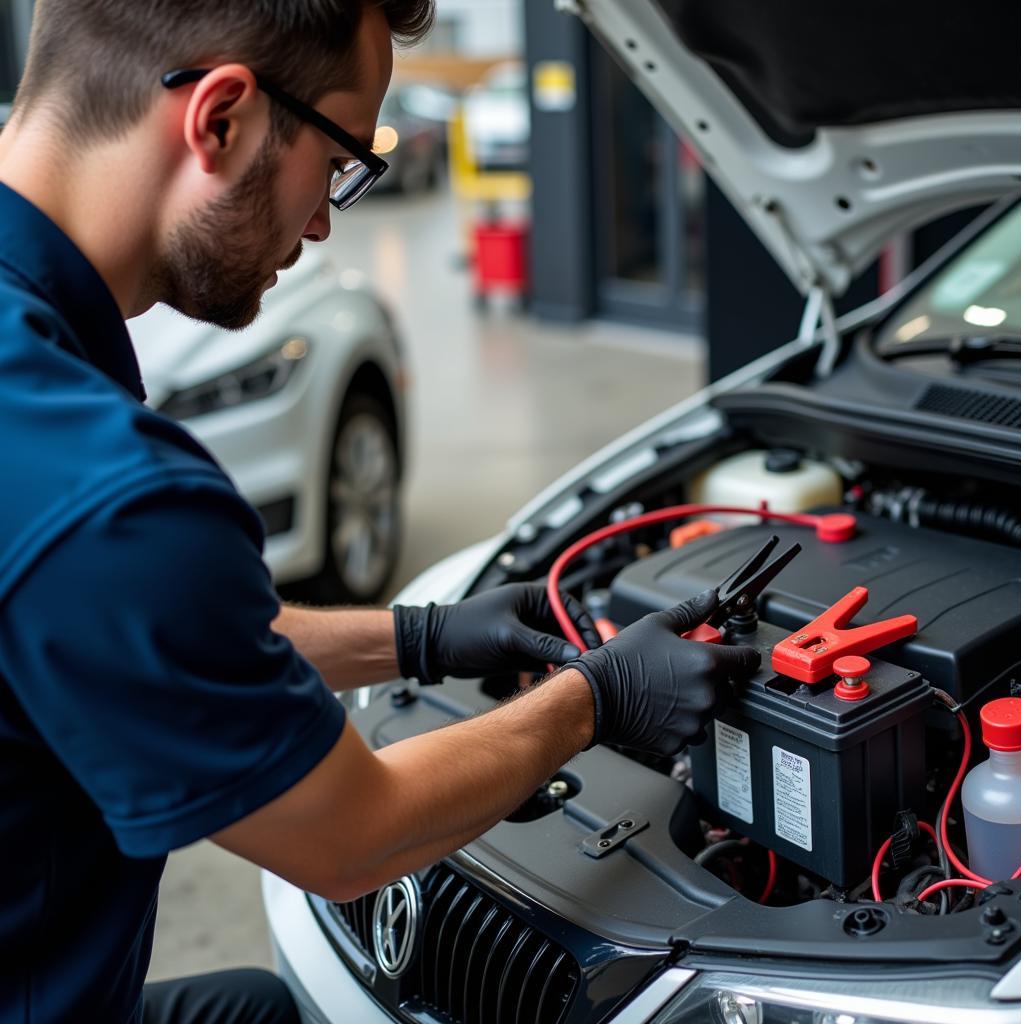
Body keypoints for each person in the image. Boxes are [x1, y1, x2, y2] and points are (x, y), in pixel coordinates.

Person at [0, 1, 762, 1021]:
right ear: (220, 118)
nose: (321, 220)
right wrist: (598, 697)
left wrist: (425, 637)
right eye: (342, 162)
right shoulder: (102, 491)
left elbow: (160, 636)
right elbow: (351, 837)